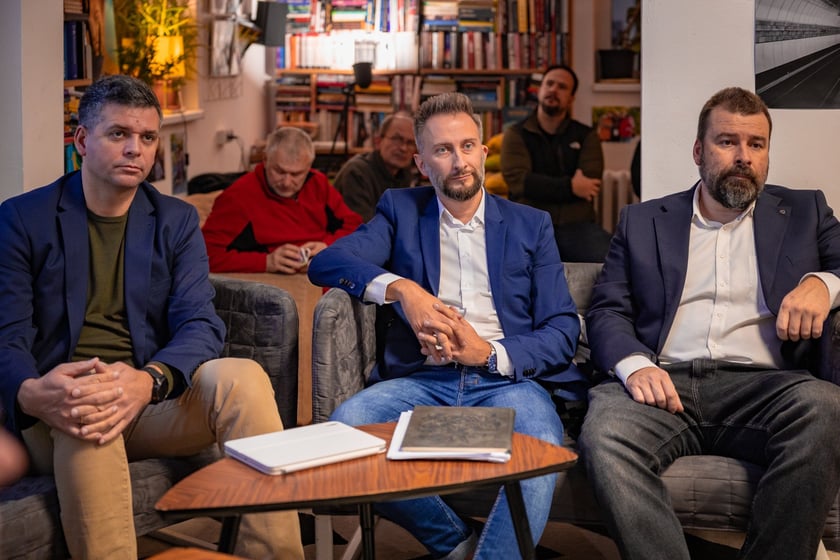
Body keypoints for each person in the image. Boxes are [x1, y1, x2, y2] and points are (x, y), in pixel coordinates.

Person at [0, 75, 303, 560]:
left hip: (149, 401)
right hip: (59, 407)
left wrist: (149, 381)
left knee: (242, 378)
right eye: (118, 133)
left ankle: (275, 555)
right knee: (89, 414)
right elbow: (7, 333)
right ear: (82, 141)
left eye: (146, 137)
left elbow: (200, 323)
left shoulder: (175, 220)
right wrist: (31, 392)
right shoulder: (23, 219)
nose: (134, 149)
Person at [308, 92, 582, 559]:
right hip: (420, 379)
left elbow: (562, 329)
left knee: (541, 445)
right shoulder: (400, 210)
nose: (459, 162)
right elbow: (327, 263)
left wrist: (488, 353)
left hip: (507, 382)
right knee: (345, 429)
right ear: (421, 163)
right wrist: (404, 291)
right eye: (442, 150)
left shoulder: (530, 224)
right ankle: (455, 542)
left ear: (484, 151)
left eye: (467, 146)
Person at [579, 86, 840, 560]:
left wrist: (823, 283)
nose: (743, 157)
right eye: (727, 142)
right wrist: (635, 365)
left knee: (826, 408)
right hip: (664, 383)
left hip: (765, 388)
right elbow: (607, 309)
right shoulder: (643, 221)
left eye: (756, 144)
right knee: (605, 433)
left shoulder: (805, 211)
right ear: (699, 151)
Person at [202, 126, 362, 274]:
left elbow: (355, 226)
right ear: (265, 159)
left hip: (322, 270)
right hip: (274, 281)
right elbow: (202, 256)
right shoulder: (238, 197)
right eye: (279, 171)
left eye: (296, 174)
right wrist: (266, 262)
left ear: (309, 167)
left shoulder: (317, 182)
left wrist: (328, 245)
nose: (286, 182)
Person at [501, 64, 612, 262]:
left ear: (571, 98)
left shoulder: (587, 135)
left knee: (614, 259)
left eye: (562, 87)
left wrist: (538, 185)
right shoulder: (515, 134)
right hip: (528, 224)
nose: (553, 90)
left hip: (577, 226)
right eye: (549, 84)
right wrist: (571, 187)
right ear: (540, 90)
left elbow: (590, 184)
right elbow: (520, 183)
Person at [333, 111, 417, 221]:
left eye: (410, 143)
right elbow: (364, 226)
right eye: (397, 139)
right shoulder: (356, 173)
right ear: (378, 141)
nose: (404, 148)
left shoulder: (404, 173)